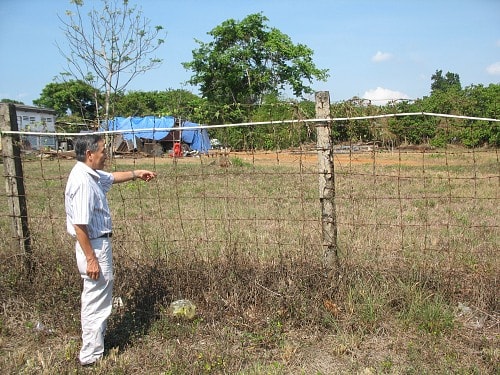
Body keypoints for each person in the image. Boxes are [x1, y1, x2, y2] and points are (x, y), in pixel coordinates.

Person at [64, 134, 157, 366]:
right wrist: (91, 259)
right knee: (96, 300)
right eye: (103, 151)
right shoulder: (83, 182)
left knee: (97, 296)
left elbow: (111, 177)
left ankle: (95, 344)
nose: (106, 155)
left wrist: (136, 173)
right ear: (90, 154)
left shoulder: (89, 174)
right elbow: (79, 224)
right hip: (93, 246)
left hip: (96, 244)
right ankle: (91, 356)